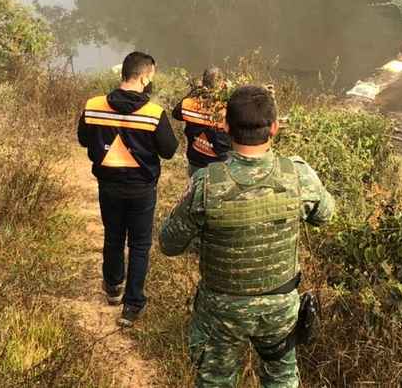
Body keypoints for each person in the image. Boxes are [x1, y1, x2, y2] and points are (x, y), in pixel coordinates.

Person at [159, 85, 335, 387]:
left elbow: (169, 244)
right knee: (280, 379)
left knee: (215, 381)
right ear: (275, 128)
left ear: (226, 126)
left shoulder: (205, 183)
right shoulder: (298, 175)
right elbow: (325, 215)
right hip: (279, 307)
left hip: (221, 311)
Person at [77, 51, 178, 327]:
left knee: (113, 236)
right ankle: (132, 305)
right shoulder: (153, 114)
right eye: (151, 77)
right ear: (144, 76)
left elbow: (83, 139)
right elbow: (169, 151)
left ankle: (112, 287)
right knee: (140, 245)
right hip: (141, 189)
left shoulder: (94, 105)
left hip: (108, 185)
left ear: (123, 73)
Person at [172, 67, 232, 176]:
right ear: (222, 84)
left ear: (203, 83)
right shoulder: (228, 108)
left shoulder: (190, 104)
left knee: (195, 189)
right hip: (220, 164)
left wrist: (194, 91)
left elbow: (176, 113)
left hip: (196, 161)